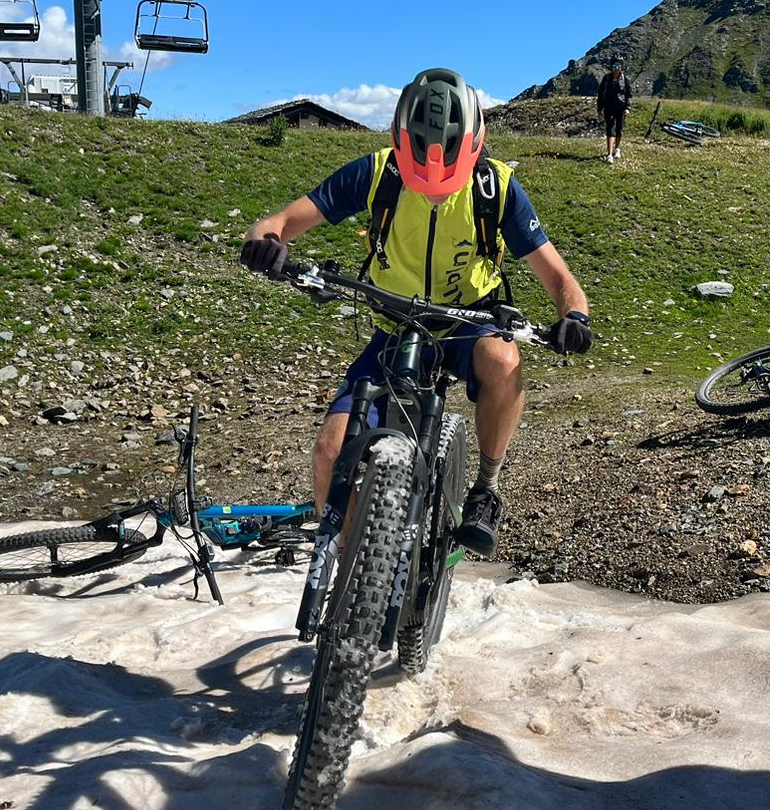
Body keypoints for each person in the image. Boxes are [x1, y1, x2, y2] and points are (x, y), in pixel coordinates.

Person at [239, 68, 591, 556]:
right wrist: (265, 243)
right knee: (328, 456)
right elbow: (278, 222)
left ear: (474, 147)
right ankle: (351, 570)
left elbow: (559, 278)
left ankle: (486, 489)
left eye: (447, 182)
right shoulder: (378, 173)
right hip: (394, 325)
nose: (434, 191)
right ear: (399, 145)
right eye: (421, 180)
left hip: (469, 322)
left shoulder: (496, 188)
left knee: (504, 360)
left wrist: (575, 316)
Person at [596, 58, 632, 163]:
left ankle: (617, 148)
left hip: (621, 108)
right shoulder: (606, 79)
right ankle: (609, 155)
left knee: (619, 130)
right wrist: (599, 109)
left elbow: (629, 95)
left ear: (621, 68)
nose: (616, 69)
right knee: (610, 130)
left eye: (618, 67)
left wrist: (628, 108)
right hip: (608, 107)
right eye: (614, 66)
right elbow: (601, 94)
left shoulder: (626, 80)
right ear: (612, 67)